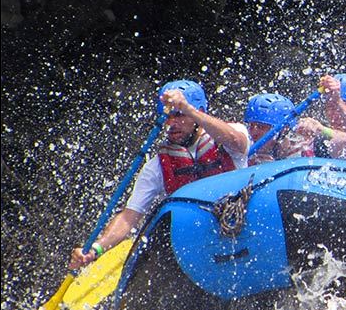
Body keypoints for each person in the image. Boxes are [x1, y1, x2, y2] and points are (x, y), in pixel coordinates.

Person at [68, 79, 250, 269]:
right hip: (199, 247)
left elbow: (236, 141)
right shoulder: (156, 167)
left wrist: (188, 108)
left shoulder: (231, 135)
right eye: (167, 117)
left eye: (179, 115)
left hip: (242, 230)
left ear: (199, 113)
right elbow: (129, 217)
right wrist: (95, 249)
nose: (171, 123)